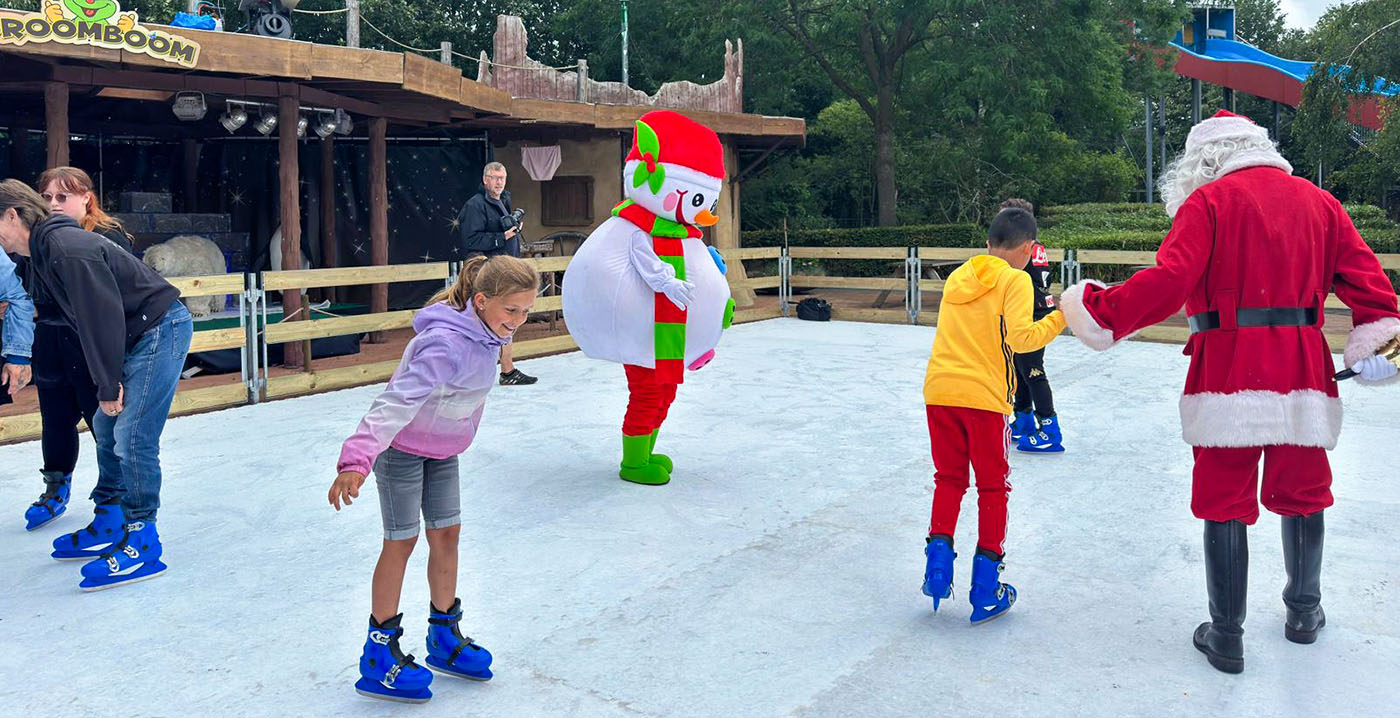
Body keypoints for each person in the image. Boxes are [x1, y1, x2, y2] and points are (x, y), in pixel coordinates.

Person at [1060, 110, 1400, 673]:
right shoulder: (1321, 204)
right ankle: (1303, 613)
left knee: (1223, 498)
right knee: (1305, 490)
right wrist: (1381, 347)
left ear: (1204, 160)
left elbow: (1168, 284)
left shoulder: (1209, 204)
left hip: (1225, 371)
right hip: (1301, 369)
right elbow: (1375, 292)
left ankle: (1225, 636)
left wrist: (1098, 310)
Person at [328, 254, 539, 703]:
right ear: (481, 301)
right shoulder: (444, 343)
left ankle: (444, 636)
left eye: (526, 311)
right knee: (401, 542)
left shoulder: (489, 334)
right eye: (511, 311)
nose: (519, 321)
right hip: (401, 451)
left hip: (443, 453)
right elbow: (396, 401)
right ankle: (378, 652)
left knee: (448, 535)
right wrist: (356, 458)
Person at [0, 179, 191, 591]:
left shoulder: (66, 250)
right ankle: (111, 518)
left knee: (132, 433)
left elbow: (99, 318)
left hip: (159, 328)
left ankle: (144, 539)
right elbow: (75, 318)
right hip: (133, 333)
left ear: (12, 215)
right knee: (106, 429)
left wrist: (107, 385)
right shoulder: (42, 253)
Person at [920, 206, 1066, 623]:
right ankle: (986, 586)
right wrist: (1061, 317)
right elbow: (1022, 341)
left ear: (988, 244)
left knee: (948, 479)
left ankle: (937, 567)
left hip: (939, 390)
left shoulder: (958, 276)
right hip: (983, 398)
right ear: (1028, 248)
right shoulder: (1016, 279)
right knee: (992, 488)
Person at [22, 167, 136, 531]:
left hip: (91, 344)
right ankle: (55, 487)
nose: (53, 203)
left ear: (87, 197)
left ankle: (113, 500)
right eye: (47, 196)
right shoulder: (35, 240)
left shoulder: (107, 235)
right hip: (50, 343)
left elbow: (109, 301)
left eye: (63, 196)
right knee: (55, 420)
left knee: (104, 424)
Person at [457, 161, 537, 386]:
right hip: (488, 275)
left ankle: (507, 370)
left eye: (501, 178)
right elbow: (470, 240)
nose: (498, 182)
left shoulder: (502, 201)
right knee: (482, 322)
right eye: (493, 178)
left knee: (507, 321)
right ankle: (473, 371)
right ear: (485, 180)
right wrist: (503, 237)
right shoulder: (475, 206)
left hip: (505, 273)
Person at [999, 198, 1063, 453]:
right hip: (1029, 311)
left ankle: (1050, 429)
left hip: (1033, 314)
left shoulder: (1023, 249)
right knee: (1020, 369)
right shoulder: (1031, 246)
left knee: (1033, 371)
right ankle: (1023, 420)